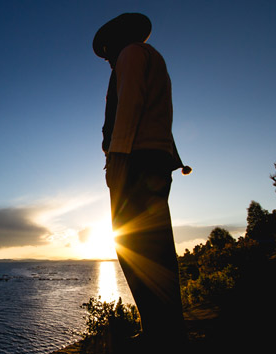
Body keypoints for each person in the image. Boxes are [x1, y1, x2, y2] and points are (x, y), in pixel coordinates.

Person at [93, 13, 191, 348]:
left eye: (107, 51)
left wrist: (118, 160)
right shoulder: (152, 57)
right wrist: (174, 160)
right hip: (153, 159)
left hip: (136, 159)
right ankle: (164, 329)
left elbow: (131, 104)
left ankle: (161, 334)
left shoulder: (131, 54)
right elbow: (161, 114)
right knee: (155, 245)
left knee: (134, 247)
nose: (106, 58)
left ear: (117, 40)